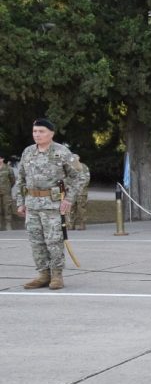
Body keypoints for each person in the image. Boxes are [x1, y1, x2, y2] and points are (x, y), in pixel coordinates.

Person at [15, 118, 86, 290]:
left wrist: (69, 199)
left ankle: (56, 275)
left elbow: (80, 177)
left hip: (53, 205)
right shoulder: (28, 152)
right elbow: (21, 179)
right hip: (32, 204)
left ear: (51, 133)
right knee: (36, 241)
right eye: (35, 132)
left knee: (54, 241)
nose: (37, 135)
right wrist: (20, 202)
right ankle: (43, 274)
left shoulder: (62, 152)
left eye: (41, 131)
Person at [66, 153, 90, 230]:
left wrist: (80, 188)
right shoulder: (69, 167)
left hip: (81, 191)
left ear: (78, 158)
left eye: (75, 158)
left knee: (81, 208)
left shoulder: (83, 167)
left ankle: (82, 224)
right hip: (71, 191)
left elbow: (86, 179)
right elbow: (66, 179)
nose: (74, 160)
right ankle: (70, 224)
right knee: (71, 207)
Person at [0, 155, 15, 230]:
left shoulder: (8, 168)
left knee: (7, 208)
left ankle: (8, 224)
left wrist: (8, 187)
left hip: (6, 192)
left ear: (2, 159)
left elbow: (13, 180)